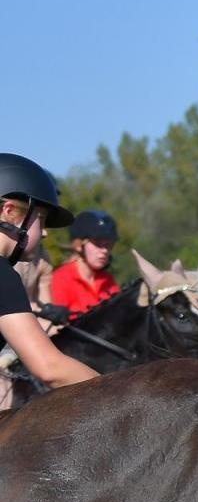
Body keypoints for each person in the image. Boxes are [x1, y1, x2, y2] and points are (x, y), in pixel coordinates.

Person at [0, 154, 99, 389]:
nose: (44, 233)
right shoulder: (3, 276)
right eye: (41, 220)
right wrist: (123, 394)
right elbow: (50, 368)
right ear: (9, 211)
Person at [50, 209, 121, 318]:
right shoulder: (60, 279)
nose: (105, 251)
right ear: (78, 245)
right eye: (98, 244)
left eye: (108, 245)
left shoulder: (109, 281)